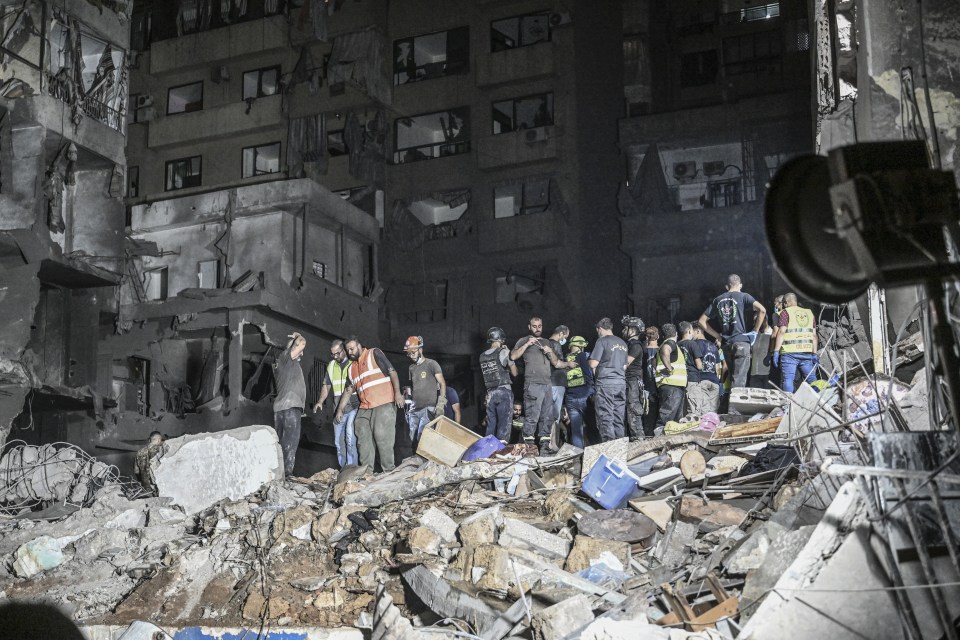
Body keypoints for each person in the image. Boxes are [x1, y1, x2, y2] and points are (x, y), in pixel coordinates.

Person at [335, 336, 404, 472]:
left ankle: (388, 471)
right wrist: (340, 409)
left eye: (352, 349)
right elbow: (348, 391)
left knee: (382, 437)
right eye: (348, 350)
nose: (350, 352)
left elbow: (392, 372)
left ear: (359, 346)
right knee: (361, 432)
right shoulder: (351, 368)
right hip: (365, 406)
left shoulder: (374, 354)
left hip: (383, 403)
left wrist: (397, 393)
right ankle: (367, 472)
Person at [698, 274, 766, 390]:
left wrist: (717, 336)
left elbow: (701, 321)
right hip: (741, 342)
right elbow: (762, 310)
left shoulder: (717, 300)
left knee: (733, 378)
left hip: (726, 344)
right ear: (740, 285)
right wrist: (755, 331)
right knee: (739, 380)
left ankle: (730, 405)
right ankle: (735, 408)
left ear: (727, 286)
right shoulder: (744, 296)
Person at [511, 317, 568, 451]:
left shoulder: (547, 342)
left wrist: (551, 352)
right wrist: (527, 344)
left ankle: (544, 448)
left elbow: (556, 363)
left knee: (547, 417)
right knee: (532, 417)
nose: (537, 328)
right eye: (534, 326)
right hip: (533, 384)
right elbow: (513, 356)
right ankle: (529, 449)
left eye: (540, 326)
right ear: (529, 327)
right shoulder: (523, 340)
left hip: (547, 384)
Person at [313, 339, 358, 468]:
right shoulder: (331, 365)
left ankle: (352, 468)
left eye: (338, 353)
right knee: (338, 442)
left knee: (350, 438)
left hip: (353, 407)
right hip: (337, 410)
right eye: (333, 354)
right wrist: (320, 401)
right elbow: (326, 385)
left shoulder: (353, 364)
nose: (335, 356)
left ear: (344, 350)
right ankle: (342, 469)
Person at [588, 317, 629, 441]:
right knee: (618, 418)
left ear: (600, 329)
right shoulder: (622, 343)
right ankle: (620, 448)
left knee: (605, 417)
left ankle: (610, 449)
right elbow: (625, 366)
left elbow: (593, 363)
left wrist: (588, 360)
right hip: (620, 383)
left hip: (606, 383)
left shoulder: (602, 341)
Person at [273, 332, 307, 477]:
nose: (302, 351)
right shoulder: (286, 358)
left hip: (282, 407)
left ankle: (279, 474)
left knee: (281, 443)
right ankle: (286, 474)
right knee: (289, 443)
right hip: (290, 407)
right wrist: (298, 336)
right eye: (297, 349)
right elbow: (302, 342)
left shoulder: (287, 365)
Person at [403, 336, 446, 447]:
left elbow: (442, 383)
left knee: (423, 437)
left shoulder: (431, 364)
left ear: (420, 350)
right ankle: (417, 463)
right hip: (414, 409)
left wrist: (440, 404)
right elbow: (411, 388)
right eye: (409, 353)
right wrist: (408, 409)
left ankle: (426, 462)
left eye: (413, 352)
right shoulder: (411, 368)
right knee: (412, 439)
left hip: (428, 408)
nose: (411, 355)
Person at [773, 292, 819, 392]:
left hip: (789, 353)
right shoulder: (809, 313)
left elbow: (781, 332)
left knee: (788, 380)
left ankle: (788, 404)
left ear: (785, 303)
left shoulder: (786, 312)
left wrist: (776, 351)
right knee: (813, 380)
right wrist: (814, 353)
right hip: (806, 353)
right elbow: (814, 335)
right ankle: (818, 403)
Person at [480, 327, 518, 443]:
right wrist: (510, 355)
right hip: (503, 391)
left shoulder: (482, 356)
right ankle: (501, 451)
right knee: (504, 425)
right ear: (500, 340)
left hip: (490, 393)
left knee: (491, 425)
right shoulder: (504, 352)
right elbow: (515, 373)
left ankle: (488, 450)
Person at [563, 335, 594, 448]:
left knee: (576, 431)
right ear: (581, 346)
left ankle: (578, 456)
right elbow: (590, 373)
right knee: (593, 427)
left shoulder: (564, 360)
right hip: (586, 396)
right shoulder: (584, 356)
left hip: (571, 398)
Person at [655, 323, 687, 430]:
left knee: (674, 421)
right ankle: (658, 440)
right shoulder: (670, 343)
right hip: (672, 385)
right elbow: (665, 351)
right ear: (676, 334)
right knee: (666, 417)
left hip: (671, 386)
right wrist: (669, 368)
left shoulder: (665, 344)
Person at [621, 315, 647, 441]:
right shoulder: (629, 345)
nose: (623, 331)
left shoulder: (636, 346)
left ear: (633, 330)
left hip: (632, 382)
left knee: (633, 409)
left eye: (625, 328)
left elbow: (625, 364)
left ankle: (639, 438)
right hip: (628, 382)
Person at [547, 325, 572, 435]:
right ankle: (553, 444)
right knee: (555, 416)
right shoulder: (556, 344)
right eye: (565, 336)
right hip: (556, 383)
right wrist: (568, 364)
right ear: (561, 333)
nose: (564, 339)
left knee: (549, 415)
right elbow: (557, 364)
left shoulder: (546, 343)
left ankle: (549, 443)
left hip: (548, 383)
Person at [694, 324, 724, 412]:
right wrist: (718, 381)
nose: (691, 334)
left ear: (698, 331)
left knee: (703, 410)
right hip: (714, 381)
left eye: (692, 332)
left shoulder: (695, 345)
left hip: (702, 380)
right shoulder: (713, 346)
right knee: (713, 412)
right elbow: (718, 366)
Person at [642, 326, 661, 437]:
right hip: (659, 384)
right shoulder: (662, 349)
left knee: (647, 413)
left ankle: (647, 435)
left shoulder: (642, 350)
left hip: (646, 385)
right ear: (658, 336)